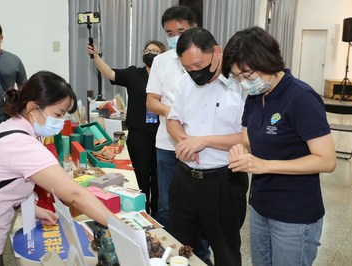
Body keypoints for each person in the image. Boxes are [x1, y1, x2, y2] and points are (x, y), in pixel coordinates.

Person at [0, 71, 116, 264]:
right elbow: (74, 195)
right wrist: (122, 228)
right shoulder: (21, 144)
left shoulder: (11, 127)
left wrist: (34, 210)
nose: (62, 122)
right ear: (32, 108)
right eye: (58, 114)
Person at [222, 26, 336, 266]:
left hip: (295, 214)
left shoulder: (301, 97)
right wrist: (240, 150)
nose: (243, 83)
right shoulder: (255, 96)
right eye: (237, 77)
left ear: (268, 61)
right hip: (261, 206)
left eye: (247, 75)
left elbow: (326, 160)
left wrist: (265, 165)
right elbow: (246, 140)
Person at [166, 28, 249, 266]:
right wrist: (185, 141)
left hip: (224, 181)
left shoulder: (241, 83)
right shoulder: (185, 81)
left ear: (216, 52)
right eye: (187, 68)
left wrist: (203, 141)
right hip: (185, 179)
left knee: (226, 251)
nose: (194, 73)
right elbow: (173, 119)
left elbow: (248, 137)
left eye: (199, 65)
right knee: (181, 248)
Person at [87, 40, 167, 217]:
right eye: (148, 50)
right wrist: (96, 56)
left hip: (164, 135)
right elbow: (109, 72)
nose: (151, 53)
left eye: (156, 51)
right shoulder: (134, 74)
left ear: (164, 55)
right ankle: (142, 214)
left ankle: (159, 217)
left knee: (160, 182)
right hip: (139, 135)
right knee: (140, 178)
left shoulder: (169, 77)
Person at [146, 4, 197, 231]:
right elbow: (151, 101)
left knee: (196, 205)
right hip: (166, 144)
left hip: (199, 145)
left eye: (181, 32)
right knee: (166, 203)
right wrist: (172, 113)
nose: (175, 37)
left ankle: (198, 253)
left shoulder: (205, 58)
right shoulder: (161, 61)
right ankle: (166, 251)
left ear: (194, 28)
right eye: (169, 34)